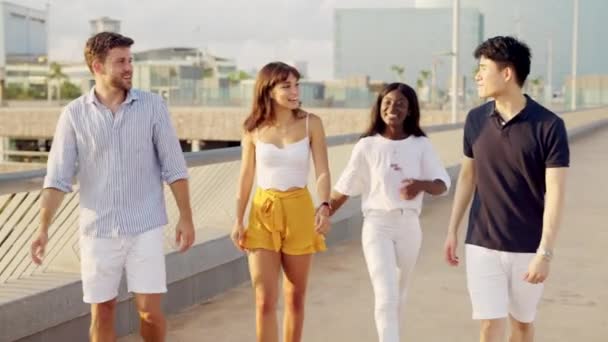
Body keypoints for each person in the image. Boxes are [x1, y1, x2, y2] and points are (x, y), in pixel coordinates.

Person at [30, 32, 195, 342]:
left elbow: (174, 167)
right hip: (98, 231)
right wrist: (43, 228)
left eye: (130, 60)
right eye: (120, 62)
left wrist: (186, 217)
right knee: (102, 311)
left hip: (145, 226)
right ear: (97, 67)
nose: (129, 67)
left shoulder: (153, 107)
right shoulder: (74, 115)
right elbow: (57, 179)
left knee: (150, 312)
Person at [443, 36, 569, 342]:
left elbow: (555, 193)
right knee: (489, 325)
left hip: (527, 247)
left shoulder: (549, 126)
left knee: (522, 325)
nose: (477, 76)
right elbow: (467, 177)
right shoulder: (475, 120)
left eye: (483, 68)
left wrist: (546, 253)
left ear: (507, 73)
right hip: (482, 242)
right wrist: (452, 230)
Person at [330, 82, 451, 342]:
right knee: (385, 295)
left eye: (400, 104)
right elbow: (345, 187)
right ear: (379, 107)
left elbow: (442, 184)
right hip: (377, 225)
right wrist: (323, 212)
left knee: (399, 291)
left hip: (408, 226)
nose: (392, 108)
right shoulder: (367, 146)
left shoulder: (421, 145)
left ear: (410, 110)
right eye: (387, 103)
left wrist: (421, 185)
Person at [230, 61, 331, 342]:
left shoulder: (312, 123)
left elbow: (322, 170)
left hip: (300, 210)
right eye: (286, 85)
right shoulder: (252, 128)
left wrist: (324, 205)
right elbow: (246, 176)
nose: (294, 91)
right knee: (263, 299)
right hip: (263, 211)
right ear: (268, 90)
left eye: (296, 84)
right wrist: (238, 219)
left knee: (295, 297)